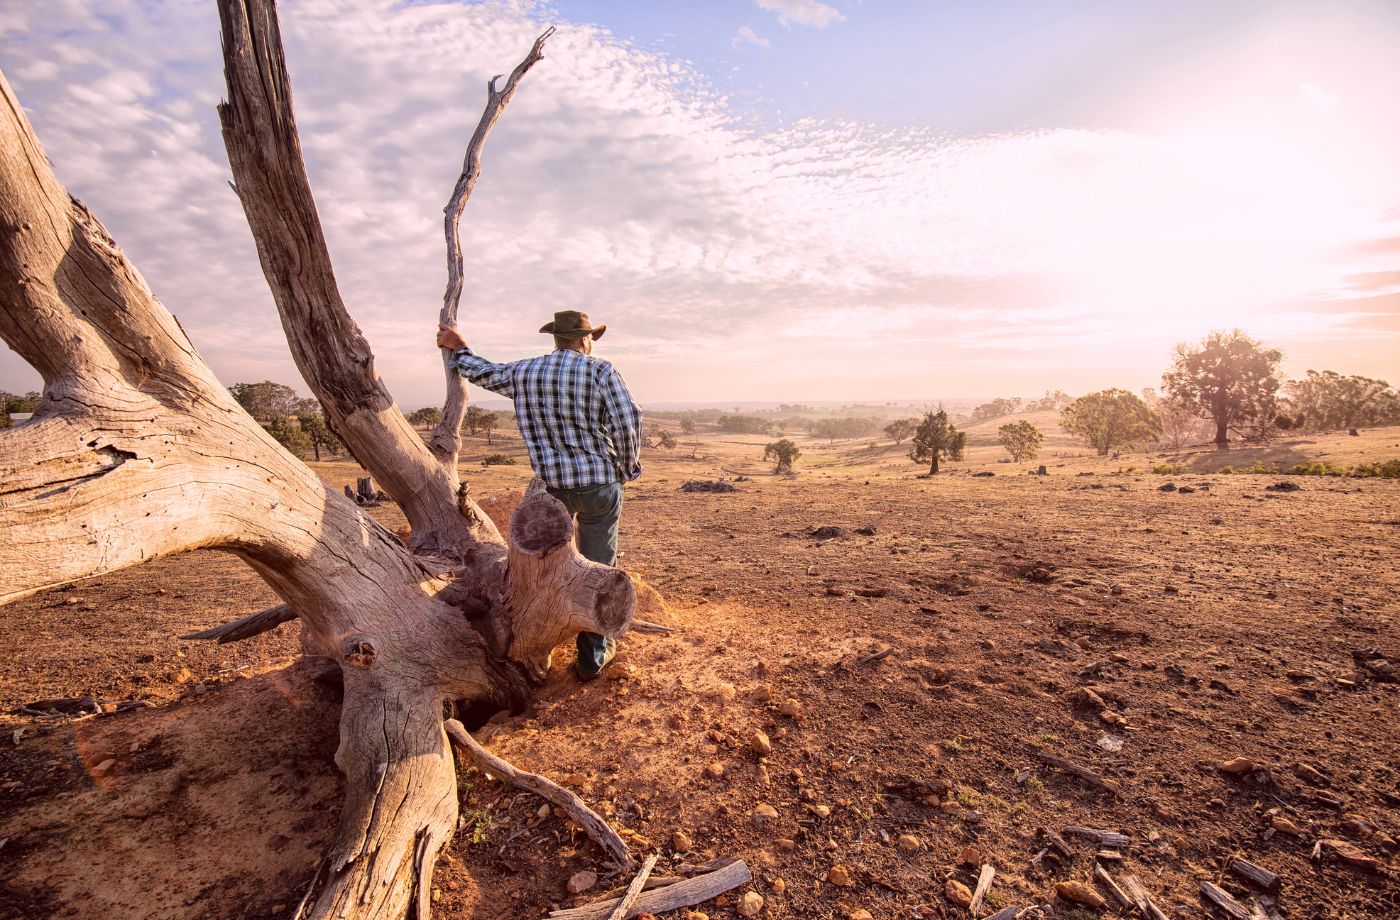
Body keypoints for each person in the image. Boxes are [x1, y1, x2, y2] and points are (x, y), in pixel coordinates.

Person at [435, 311, 642, 680]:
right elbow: (629, 421)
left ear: (556, 339)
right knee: (598, 565)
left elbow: (483, 372)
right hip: (599, 486)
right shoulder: (600, 371)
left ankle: (538, 635)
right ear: (584, 340)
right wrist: (626, 468)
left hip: (553, 491)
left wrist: (459, 348)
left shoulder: (526, 371)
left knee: (552, 567)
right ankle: (593, 658)